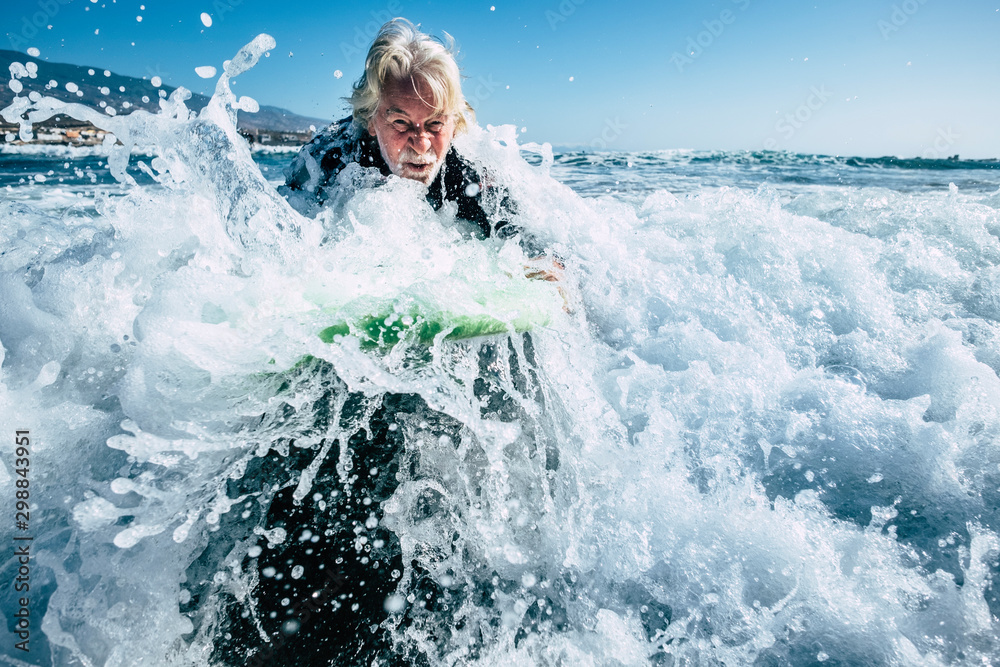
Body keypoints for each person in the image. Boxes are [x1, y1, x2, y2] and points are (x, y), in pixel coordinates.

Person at [209, 19, 557, 666]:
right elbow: (276, 258)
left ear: (455, 121)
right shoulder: (330, 162)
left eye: (436, 125)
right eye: (402, 124)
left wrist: (544, 268)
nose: (421, 145)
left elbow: (533, 247)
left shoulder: (465, 177)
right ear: (371, 118)